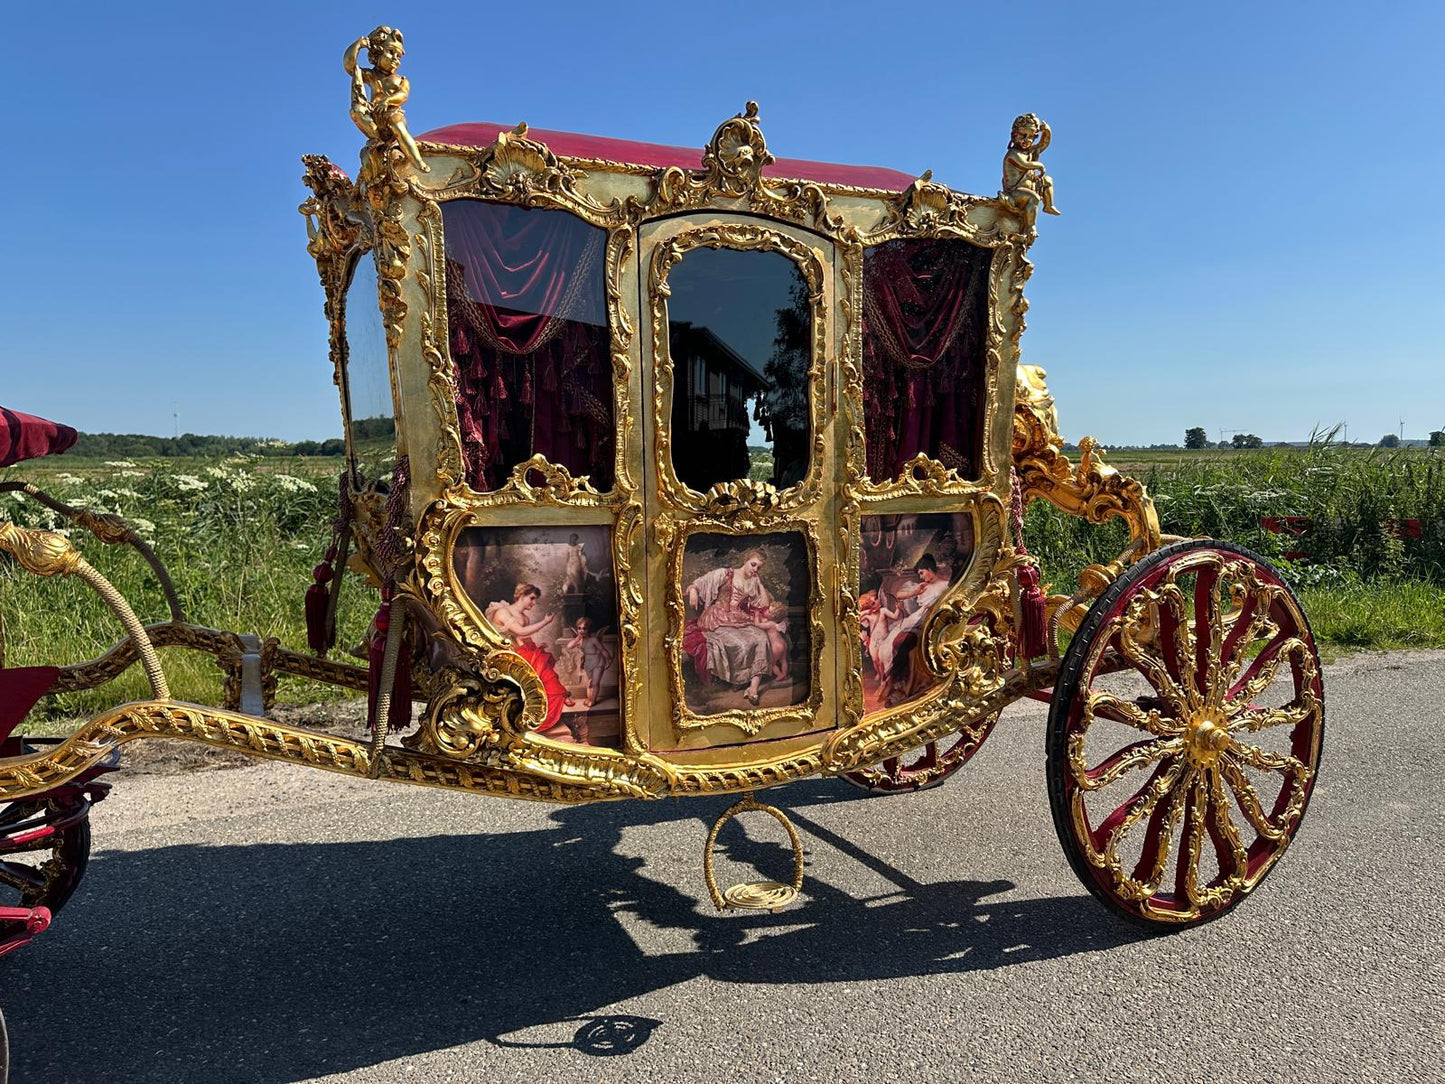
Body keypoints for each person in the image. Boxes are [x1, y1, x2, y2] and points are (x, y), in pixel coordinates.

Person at [683, 549, 780, 706]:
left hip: (739, 618)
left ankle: (752, 688)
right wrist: (694, 591)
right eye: (753, 564)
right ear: (745, 560)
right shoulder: (726, 574)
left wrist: (760, 583)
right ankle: (738, 680)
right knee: (738, 643)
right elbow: (699, 583)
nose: (755, 569)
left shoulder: (754, 581)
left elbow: (764, 605)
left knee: (761, 639)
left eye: (758, 568)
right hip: (718, 617)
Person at [485, 582, 573, 730]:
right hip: (503, 655)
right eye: (531, 598)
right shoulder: (502, 612)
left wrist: (536, 647)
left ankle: (553, 700)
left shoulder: (524, 617)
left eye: (535, 599)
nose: (534, 602)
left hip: (518, 651)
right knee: (539, 667)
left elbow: (523, 639)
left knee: (542, 666)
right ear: (521, 594)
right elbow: (520, 632)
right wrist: (545, 622)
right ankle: (537, 709)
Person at [874, 555, 949, 704]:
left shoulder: (945, 585)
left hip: (932, 622)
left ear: (929, 569)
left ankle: (899, 689)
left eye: (922, 572)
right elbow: (899, 595)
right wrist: (914, 592)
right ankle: (894, 686)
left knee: (900, 644)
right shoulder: (924, 586)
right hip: (919, 619)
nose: (920, 576)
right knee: (894, 643)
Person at [566, 617, 613, 709]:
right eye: (579, 628)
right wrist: (577, 638)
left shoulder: (594, 640)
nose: (581, 631)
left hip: (598, 661)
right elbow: (569, 646)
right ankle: (589, 698)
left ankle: (593, 700)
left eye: (584, 628)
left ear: (588, 629)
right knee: (589, 683)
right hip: (588, 663)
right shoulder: (580, 640)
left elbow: (602, 650)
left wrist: (608, 659)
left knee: (595, 682)